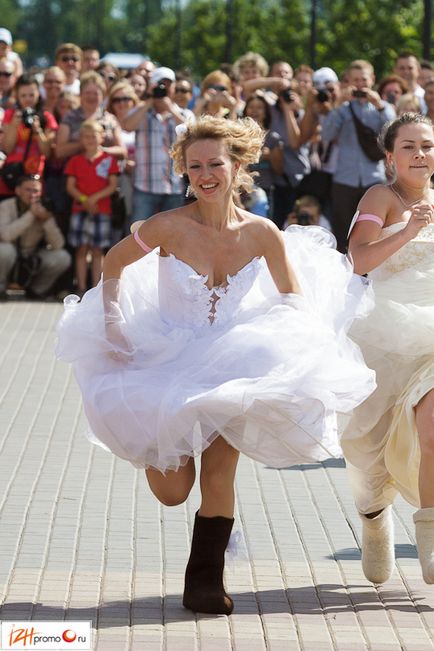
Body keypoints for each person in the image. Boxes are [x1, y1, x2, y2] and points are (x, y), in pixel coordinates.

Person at [56, 115, 375, 615]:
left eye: (216, 164)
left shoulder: (263, 232)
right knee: (172, 491)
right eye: (195, 165)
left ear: (238, 166)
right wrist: (114, 322)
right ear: (184, 171)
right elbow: (112, 264)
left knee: (220, 472)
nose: (206, 174)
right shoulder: (166, 226)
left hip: (231, 360)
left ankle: (203, 581)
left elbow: (293, 294)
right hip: (166, 357)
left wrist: (287, 341)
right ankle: (155, 452)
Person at [341, 112, 434, 585]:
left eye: (428, 145)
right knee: (368, 449)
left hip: (432, 336)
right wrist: (408, 231)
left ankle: (431, 536)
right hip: (384, 334)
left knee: (432, 427)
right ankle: (375, 518)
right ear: (390, 157)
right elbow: (357, 259)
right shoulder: (381, 197)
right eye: (409, 147)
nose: (421, 154)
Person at [321, 59, 395, 252]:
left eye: (364, 79)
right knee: (343, 233)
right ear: (348, 82)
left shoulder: (383, 108)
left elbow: (394, 136)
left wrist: (379, 106)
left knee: (376, 232)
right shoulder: (342, 109)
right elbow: (326, 135)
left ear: (372, 80)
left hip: (374, 179)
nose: (360, 84)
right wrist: (337, 105)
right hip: (345, 180)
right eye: (355, 80)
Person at [122, 66, 187, 221]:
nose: (164, 87)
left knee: (172, 237)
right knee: (138, 233)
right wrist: (149, 100)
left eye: (168, 84)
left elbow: (191, 132)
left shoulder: (181, 113)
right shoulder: (141, 111)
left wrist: (170, 108)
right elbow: (128, 126)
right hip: (145, 186)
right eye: (160, 84)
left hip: (174, 186)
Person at [64, 120, 119, 295]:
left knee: (97, 250)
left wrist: (93, 199)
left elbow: (112, 186)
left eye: (93, 136)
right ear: (81, 139)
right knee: (81, 249)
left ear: (101, 137)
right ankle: (80, 287)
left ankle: (96, 290)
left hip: (101, 210)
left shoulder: (108, 160)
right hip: (80, 210)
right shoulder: (75, 160)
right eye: (86, 136)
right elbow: (70, 186)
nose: (90, 140)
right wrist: (83, 199)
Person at [0, 174, 71, 300]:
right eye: (28, 190)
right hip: (9, 256)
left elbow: (58, 244)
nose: (32, 195)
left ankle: (36, 291)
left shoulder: (44, 208)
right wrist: (31, 215)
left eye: (36, 191)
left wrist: (46, 221)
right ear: (18, 190)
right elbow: (6, 235)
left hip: (30, 257)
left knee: (63, 257)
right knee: (5, 251)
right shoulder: (6, 206)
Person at [0, 73, 58, 201]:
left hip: (35, 181)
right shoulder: (10, 115)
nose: (28, 99)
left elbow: (47, 152)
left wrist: (38, 130)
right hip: (12, 178)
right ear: (17, 96)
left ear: (38, 94)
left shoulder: (47, 117)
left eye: (31, 95)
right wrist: (14, 126)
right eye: (23, 95)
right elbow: (7, 149)